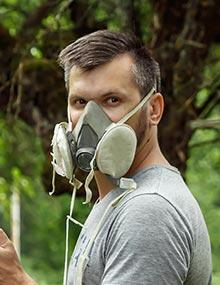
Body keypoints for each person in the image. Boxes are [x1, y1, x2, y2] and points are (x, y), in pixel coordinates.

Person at [0, 30, 212, 285]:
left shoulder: (149, 210)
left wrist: (18, 282)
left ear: (153, 109)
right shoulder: (119, 199)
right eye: (80, 102)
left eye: (112, 100)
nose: (91, 118)